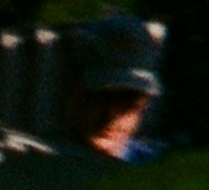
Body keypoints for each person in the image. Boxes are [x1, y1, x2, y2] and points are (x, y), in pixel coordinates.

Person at [64, 12, 165, 159]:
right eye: (102, 98)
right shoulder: (39, 167)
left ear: (145, 105)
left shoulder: (156, 171)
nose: (112, 115)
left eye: (128, 101)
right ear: (76, 92)